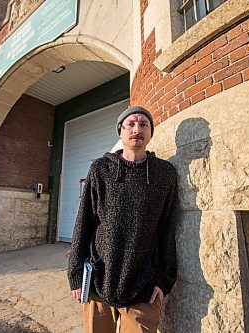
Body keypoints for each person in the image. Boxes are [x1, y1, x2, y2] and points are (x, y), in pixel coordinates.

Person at [67, 105, 178, 333]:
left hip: (144, 284)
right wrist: (76, 272)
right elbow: (84, 221)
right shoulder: (100, 169)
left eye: (143, 124)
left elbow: (167, 228)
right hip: (99, 279)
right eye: (131, 124)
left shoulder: (164, 173)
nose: (137, 129)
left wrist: (163, 279)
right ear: (120, 131)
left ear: (150, 132)